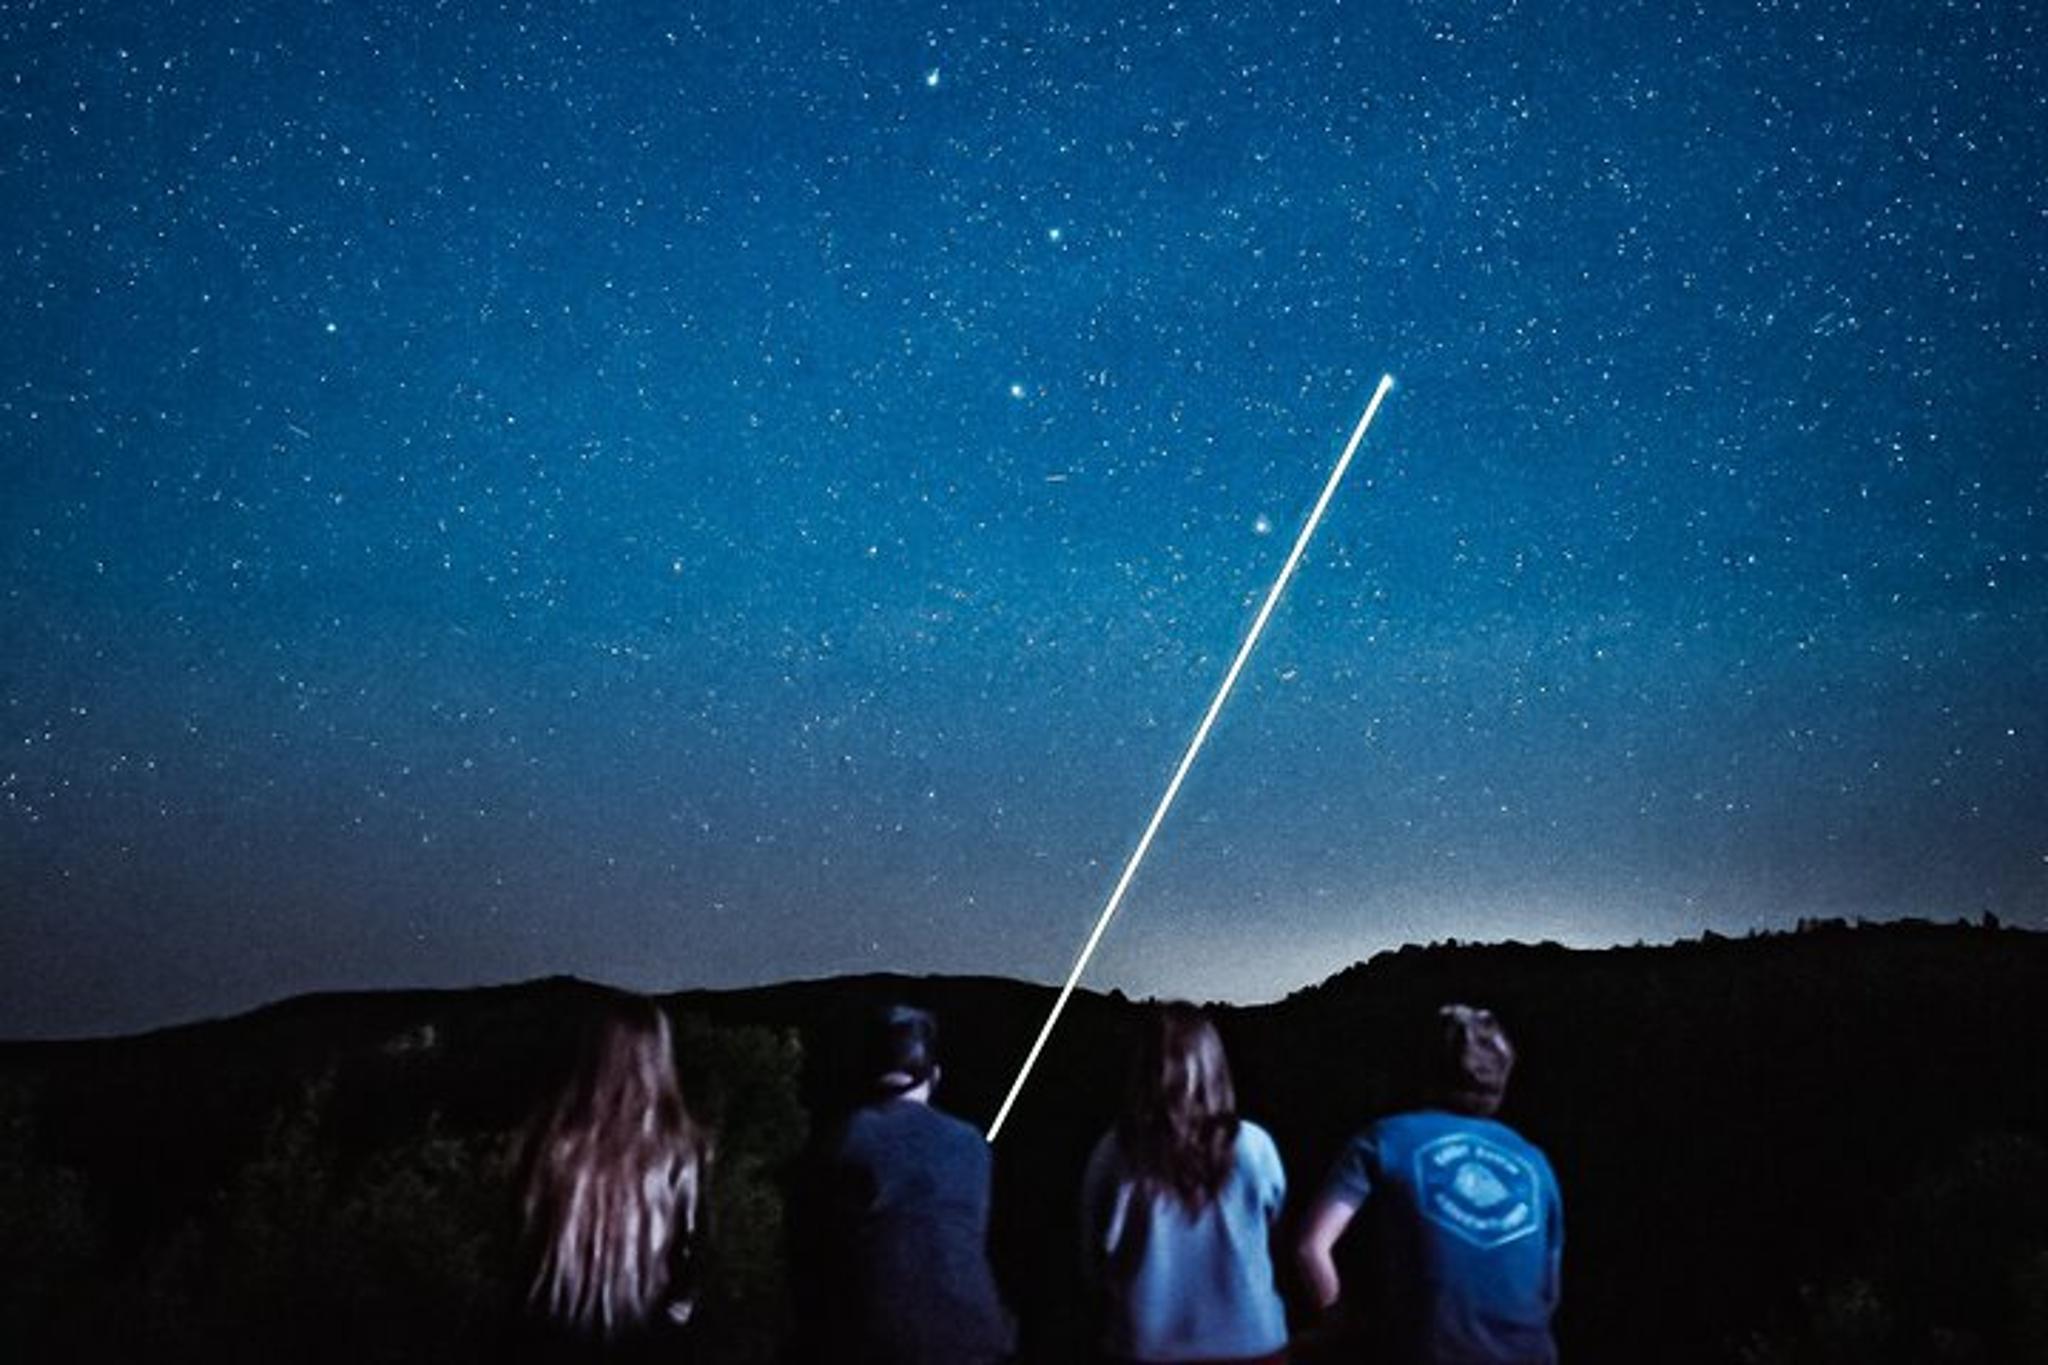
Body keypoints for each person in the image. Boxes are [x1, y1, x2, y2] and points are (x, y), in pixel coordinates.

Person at [1295, 1005, 1562, 1365]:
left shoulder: (1386, 1137)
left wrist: (1336, 1326)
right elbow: (1547, 1292)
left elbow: (1311, 1247)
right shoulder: (1535, 1162)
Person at [794, 1003, 1013, 1364]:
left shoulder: (842, 1139)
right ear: (935, 1076)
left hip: (875, 1338)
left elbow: (812, 1252)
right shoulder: (972, 1142)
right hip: (973, 1336)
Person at [1079, 1003, 1289, 1365]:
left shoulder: (1115, 1150)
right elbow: (1273, 1226)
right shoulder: (1255, 1146)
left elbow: (1092, 1256)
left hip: (1144, 1347)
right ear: (1215, 1066)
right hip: (1253, 1344)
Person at [513, 993, 711, 1362]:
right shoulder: (680, 1148)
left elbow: (521, 1238)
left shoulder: (551, 1141)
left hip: (550, 1334)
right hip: (646, 1335)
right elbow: (694, 1251)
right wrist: (676, 1321)